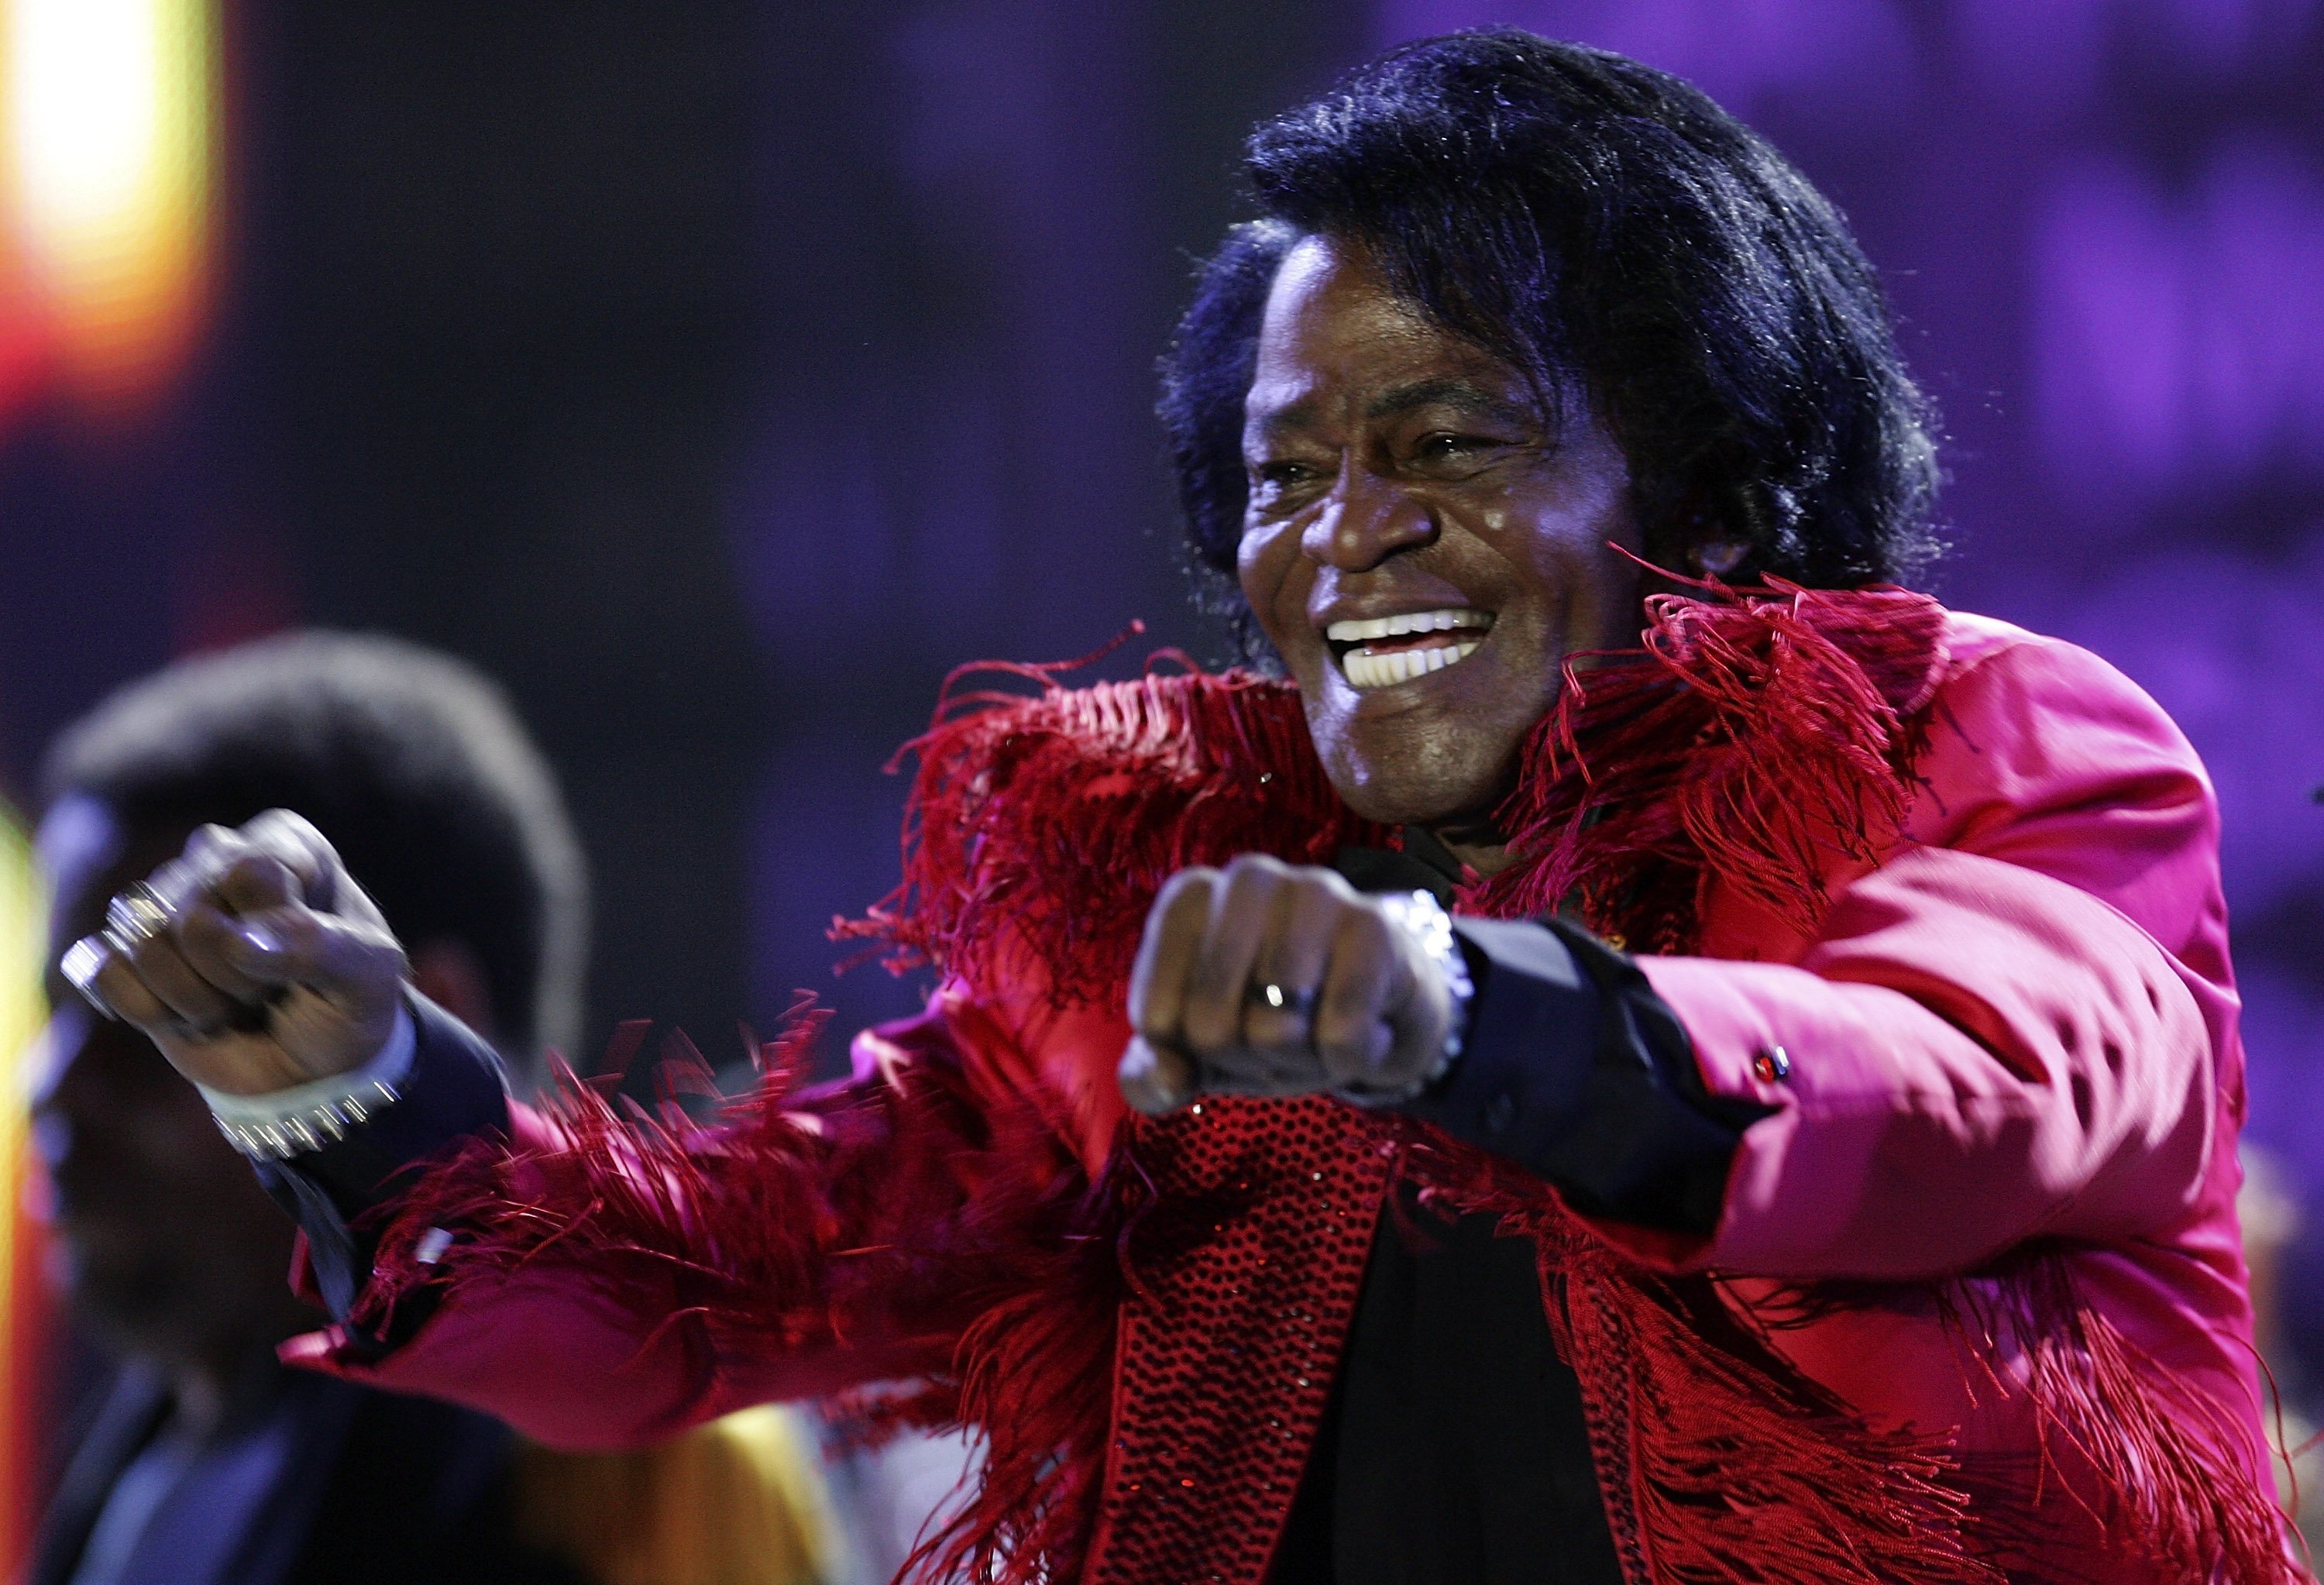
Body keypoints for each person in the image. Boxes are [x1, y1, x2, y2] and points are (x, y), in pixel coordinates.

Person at [57, 32, 2301, 1583]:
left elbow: (1961, 1073)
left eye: (1445, 440)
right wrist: (356, 1095)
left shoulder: (1994, 747)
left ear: (1698, 468)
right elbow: (742, 1269)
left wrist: (1477, 1014)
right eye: (1285, 476)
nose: (1349, 535)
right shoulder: (1175, 910)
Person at [25, 633, 837, 1585]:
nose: (53, 1087)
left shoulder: (642, 1469)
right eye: (58, 1017)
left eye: (160, 1021)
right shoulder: (142, 1469)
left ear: (411, 1019)